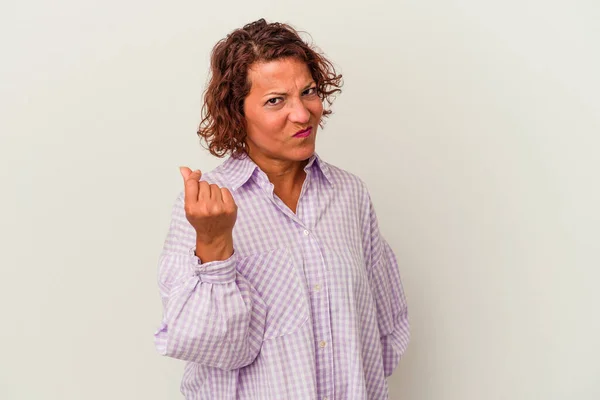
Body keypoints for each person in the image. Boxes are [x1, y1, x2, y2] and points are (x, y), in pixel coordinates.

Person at [154, 18, 410, 399]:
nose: (304, 115)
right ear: (236, 113)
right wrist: (214, 245)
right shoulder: (205, 210)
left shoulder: (349, 195)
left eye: (308, 92)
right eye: (276, 100)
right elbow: (208, 346)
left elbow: (385, 329)